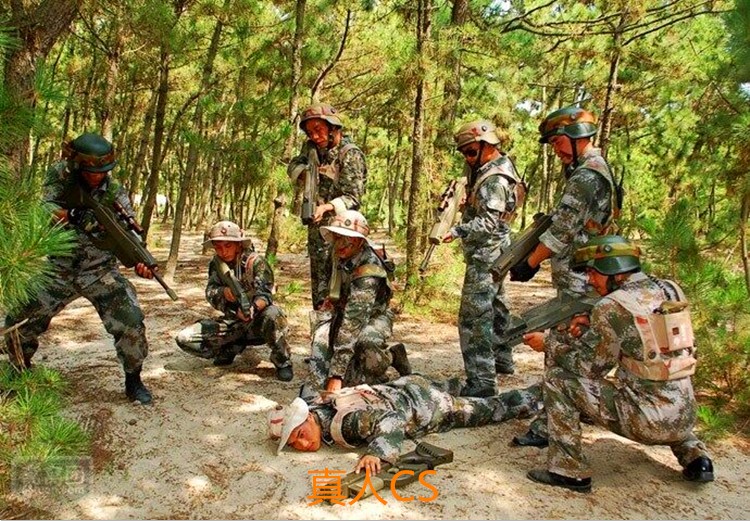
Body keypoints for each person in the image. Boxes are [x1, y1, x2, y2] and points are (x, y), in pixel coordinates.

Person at [523, 236, 714, 492]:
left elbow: (589, 369)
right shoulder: (670, 289)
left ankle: (568, 470)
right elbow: (647, 337)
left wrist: (548, 343)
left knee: (559, 379)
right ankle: (696, 457)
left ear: (614, 271)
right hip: (685, 415)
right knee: (667, 381)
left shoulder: (611, 306)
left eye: (592, 273)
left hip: (648, 423)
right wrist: (595, 324)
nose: (589, 280)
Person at [3, 133, 155, 404]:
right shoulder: (61, 177)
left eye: (103, 171)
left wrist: (140, 261)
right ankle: (18, 371)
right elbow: (42, 208)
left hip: (100, 271)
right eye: (92, 171)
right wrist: (72, 216)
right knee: (18, 319)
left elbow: (129, 234)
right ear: (77, 165)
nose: (98, 176)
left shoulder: (115, 193)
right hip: (58, 268)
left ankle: (134, 380)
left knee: (131, 321)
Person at [509, 106, 619, 446]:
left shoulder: (586, 177)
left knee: (562, 346)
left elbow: (562, 231)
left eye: (558, 142)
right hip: (588, 274)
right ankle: (568, 412)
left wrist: (530, 263)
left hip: (580, 278)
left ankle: (551, 426)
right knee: (577, 345)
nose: (556, 150)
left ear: (576, 137)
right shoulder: (595, 169)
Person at [272, 374, 542, 473]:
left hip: (425, 406)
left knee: (492, 409)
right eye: (294, 443)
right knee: (465, 390)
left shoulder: (346, 424)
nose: (303, 444)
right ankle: (467, 386)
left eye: (300, 434)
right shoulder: (318, 403)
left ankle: (540, 395)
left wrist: (377, 453)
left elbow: (392, 420)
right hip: (406, 385)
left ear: (309, 417)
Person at [442, 120, 524, 397]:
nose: (466, 158)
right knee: (498, 307)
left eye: (470, 152)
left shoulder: (494, 178)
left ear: (487, 146)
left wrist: (456, 231)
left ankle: (481, 382)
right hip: (497, 252)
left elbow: (487, 224)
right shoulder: (496, 169)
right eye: (463, 153)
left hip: (486, 255)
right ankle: (502, 359)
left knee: (474, 318)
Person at [175, 220, 293, 381]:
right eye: (218, 247)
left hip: (257, 321)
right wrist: (223, 293)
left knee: (273, 314)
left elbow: (265, 295)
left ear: (238, 245)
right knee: (184, 338)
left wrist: (253, 308)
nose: (223, 251)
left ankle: (283, 361)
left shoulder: (256, 263)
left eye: (228, 246)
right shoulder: (216, 264)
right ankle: (231, 347)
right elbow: (210, 292)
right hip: (232, 321)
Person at [305, 210, 410, 392]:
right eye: (337, 237)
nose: (340, 243)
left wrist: (336, 374)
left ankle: (392, 356)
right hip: (341, 313)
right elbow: (324, 278)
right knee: (320, 342)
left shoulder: (369, 268)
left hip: (372, 317)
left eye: (347, 238)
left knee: (365, 347)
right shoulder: (334, 252)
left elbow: (354, 321)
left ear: (359, 241)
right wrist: (326, 299)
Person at [287, 103, 368, 310]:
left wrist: (326, 208)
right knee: (319, 290)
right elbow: (293, 165)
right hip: (317, 233)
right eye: (310, 132)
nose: (315, 136)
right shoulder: (311, 149)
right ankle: (321, 325)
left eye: (319, 130)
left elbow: (353, 197)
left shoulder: (349, 154)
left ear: (333, 127)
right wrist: (305, 173)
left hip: (343, 234)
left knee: (340, 290)